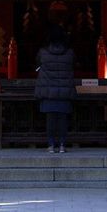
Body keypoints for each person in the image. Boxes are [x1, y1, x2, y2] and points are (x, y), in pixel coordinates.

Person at [35, 25, 75, 153]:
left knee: (50, 119)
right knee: (63, 119)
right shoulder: (69, 53)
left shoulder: (43, 52)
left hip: (48, 91)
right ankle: (62, 145)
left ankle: (51, 145)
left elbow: (37, 66)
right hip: (64, 91)